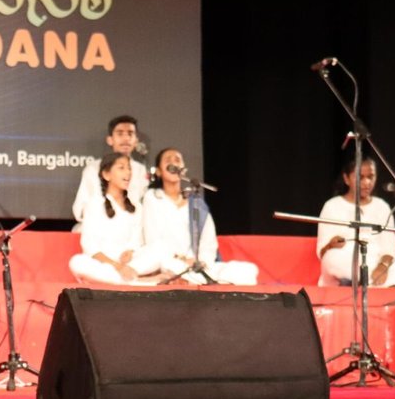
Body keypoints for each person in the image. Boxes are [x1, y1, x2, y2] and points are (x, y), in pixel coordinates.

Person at [139, 148, 258, 284]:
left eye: (177, 160)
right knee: (172, 267)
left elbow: (208, 240)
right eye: (168, 160)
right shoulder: (152, 197)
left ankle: (192, 280)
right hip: (168, 261)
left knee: (248, 269)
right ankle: (195, 281)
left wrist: (202, 261)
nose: (173, 163)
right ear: (159, 171)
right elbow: (152, 239)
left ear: (183, 170)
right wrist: (181, 259)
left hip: (196, 265)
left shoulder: (195, 202)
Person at [315, 155, 395, 288]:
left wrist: (382, 267)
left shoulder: (381, 206)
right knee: (331, 258)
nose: (367, 182)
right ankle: (378, 285)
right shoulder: (332, 205)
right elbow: (322, 253)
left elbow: (389, 247)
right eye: (360, 177)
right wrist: (330, 245)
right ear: (346, 178)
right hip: (348, 263)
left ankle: (369, 285)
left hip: (377, 265)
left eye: (371, 177)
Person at [69, 153, 162, 284]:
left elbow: (137, 241)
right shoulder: (94, 204)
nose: (128, 172)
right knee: (77, 262)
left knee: (161, 248)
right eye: (121, 168)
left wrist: (130, 251)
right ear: (106, 175)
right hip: (104, 263)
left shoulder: (136, 206)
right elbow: (90, 246)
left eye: (129, 168)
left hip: (131, 263)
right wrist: (117, 266)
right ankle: (140, 282)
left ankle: (124, 280)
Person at [72, 115, 148, 228]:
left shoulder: (141, 170)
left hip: (132, 226)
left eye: (130, 134)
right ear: (110, 140)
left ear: (136, 140)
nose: (126, 138)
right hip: (99, 225)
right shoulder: (94, 168)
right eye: (120, 134)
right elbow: (80, 208)